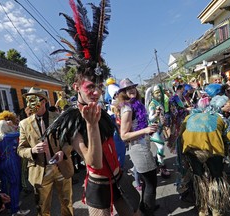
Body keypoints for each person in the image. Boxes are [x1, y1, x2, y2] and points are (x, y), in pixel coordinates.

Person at [47, 0, 140, 215]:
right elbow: (94, 162)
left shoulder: (100, 110)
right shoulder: (72, 119)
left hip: (119, 177)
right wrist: (91, 125)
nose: (96, 92)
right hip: (98, 185)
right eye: (90, 87)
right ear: (76, 86)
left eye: (99, 86)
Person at [17, 87, 74, 216]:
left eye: (33, 100)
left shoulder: (59, 118)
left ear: (43, 101)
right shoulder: (24, 124)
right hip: (40, 171)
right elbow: (20, 149)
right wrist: (32, 150)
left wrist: (64, 152)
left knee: (67, 203)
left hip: (61, 167)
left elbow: (69, 140)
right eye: (28, 100)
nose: (29, 104)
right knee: (42, 208)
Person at [179, 95, 230, 216]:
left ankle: (203, 208)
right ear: (220, 107)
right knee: (216, 177)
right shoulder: (221, 118)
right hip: (212, 151)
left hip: (192, 151)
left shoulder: (190, 116)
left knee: (199, 177)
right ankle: (216, 208)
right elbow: (229, 140)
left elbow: (180, 137)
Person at [117, 78, 159, 215]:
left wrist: (150, 124)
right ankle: (147, 211)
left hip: (143, 146)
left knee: (148, 182)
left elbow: (140, 123)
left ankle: (147, 206)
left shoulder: (136, 105)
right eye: (127, 89)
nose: (131, 90)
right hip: (138, 149)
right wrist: (145, 130)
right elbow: (123, 135)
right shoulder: (127, 108)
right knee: (151, 182)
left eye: (133, 87)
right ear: (122, 92)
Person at [0, 117, 30, 216]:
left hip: (0, 165)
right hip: (11, 164)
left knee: (5, 185)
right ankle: (15, 210)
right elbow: (21, 131)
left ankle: (9, 205)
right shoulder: (7, 137)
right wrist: (13, 125)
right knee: (15, 185)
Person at [146, 84, 170, 178]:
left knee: (161, 148)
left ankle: (158, 161)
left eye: (160, 91)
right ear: (153, 94)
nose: (159, 94)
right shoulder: (152, 104)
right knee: (161, 147)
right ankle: (161, 166)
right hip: (153, 128)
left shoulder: (159, 102)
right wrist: (156, 114)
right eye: (156, 92)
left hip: (160, 128)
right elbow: (151, 118)